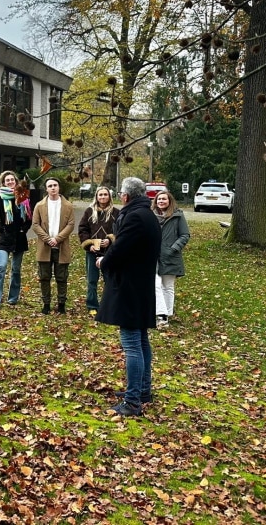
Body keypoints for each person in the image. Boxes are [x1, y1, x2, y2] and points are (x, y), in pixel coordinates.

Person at [96, 177, 162, 417]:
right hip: (140, 285)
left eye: (120, 193)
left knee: (132, 344)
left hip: (130, 287)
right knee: (141, 340)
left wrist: (104, 260)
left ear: (125, 196)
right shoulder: (147, 214)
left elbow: (121, 248)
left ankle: (134, 401)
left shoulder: (134, 217)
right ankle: (143, 390)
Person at [0, 171, 32, 309]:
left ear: (16, 181)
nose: (10, 182)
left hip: (19, 238)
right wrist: (1, 228)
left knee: (16, 269)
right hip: (5, 238)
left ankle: (13, 297)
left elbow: (29, 217)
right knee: (1, 267)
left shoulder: (23, 196)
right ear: (3, 182)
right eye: (7, 180)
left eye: (12, 179)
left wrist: (23, 229)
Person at [31, 177, 75, 315]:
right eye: (50, 186)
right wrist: (47, 239)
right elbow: (35, 224)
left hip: (61, 247)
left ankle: (61, 304)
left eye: (55, 185)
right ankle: (46, 303)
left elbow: (71, 224)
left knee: (62, 277)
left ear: (59, 187)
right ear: (46, 189)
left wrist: (58, 239)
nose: (53, 188)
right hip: (45, 247)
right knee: (44, 276)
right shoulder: (39, 205)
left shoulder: (68, 205)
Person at [77, 186, 119, 317]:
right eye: (100, 195)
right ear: (96, 196)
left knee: (110, 279)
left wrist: (111, 240)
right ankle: (92, 305)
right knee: (92, 279)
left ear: (109, 196)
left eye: (105, 195)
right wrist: (89, 244)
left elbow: (121, 229)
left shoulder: (116, 212)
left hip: (109, 252)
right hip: (93, 251)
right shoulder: (89, 212)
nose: (103, 197)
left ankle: (110, 305)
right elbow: (82, 229)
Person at [153, 189, 190, 328]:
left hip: (170, 256)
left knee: (168, 286)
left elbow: (185, 235)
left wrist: (173, 248)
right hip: (154, 256)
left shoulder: (177, 216)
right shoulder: (151, 216)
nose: (161, 201)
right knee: (156, 285)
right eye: (159, 199)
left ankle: (167, 315)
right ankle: (161, 314)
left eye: (164, 199)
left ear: (169, 201)